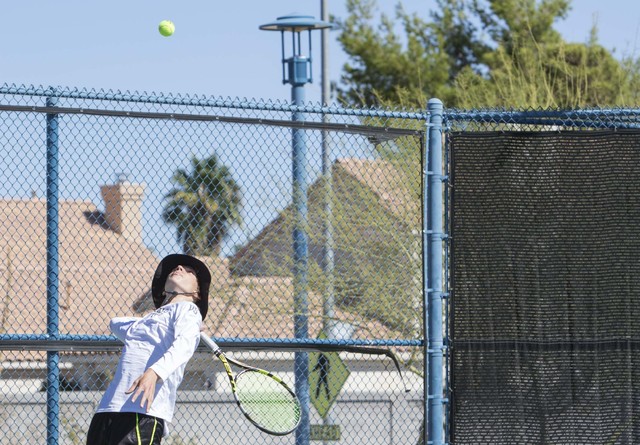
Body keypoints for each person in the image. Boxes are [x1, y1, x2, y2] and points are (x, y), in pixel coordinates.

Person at [86, 254, 211, 445]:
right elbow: (115, 323)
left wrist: (154, 373)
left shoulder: (189, 310)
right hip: (107, 410)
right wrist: (153, 318)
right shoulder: (146, 322)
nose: (179, 268)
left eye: (189, 271)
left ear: (197, 294)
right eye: (176, 268)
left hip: (142, 412)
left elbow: (183, 346)